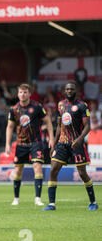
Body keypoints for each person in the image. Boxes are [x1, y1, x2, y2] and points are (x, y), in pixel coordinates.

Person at [43, 81, 98, 211]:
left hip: (76, 143)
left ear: (76, 91)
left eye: (71, 89)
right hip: (62, 143)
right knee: (53, 170)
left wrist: (80, 139)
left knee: (82, 173)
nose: (69, 91)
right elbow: (59, 126)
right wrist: (54, 145)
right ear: (64, 91)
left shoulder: (82, 106)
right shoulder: (61, 105)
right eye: (67, 89)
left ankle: (93, 202)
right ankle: (51, 204)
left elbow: (88, 126)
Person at [5, 83, 54, 207]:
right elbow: (10, 127)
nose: (23, 94)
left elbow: (48, 121)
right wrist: (7, 143)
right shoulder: (14, 109)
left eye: (25, 92)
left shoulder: (37, 107)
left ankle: (37, 198)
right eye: (21, 92)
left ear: (29, 94)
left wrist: (51, 138)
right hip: (21, 144)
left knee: (37, 167)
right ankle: (16, 198)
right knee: (18, 170)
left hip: (35, 143)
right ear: (18, 94)